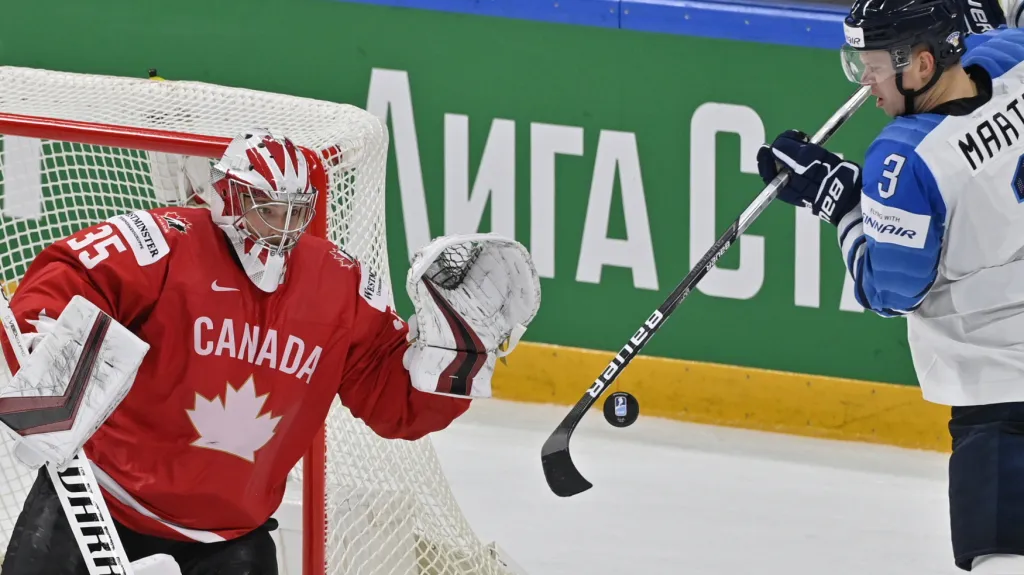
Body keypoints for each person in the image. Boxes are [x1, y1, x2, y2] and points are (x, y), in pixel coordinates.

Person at [0, 128, 540, 574]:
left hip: (232, 538)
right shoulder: (164, 241)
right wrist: (43, 344)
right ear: (232, 198)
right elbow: (72, 273)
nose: (282, 229)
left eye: (294, 212)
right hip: (97, 507)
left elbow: (392, 404)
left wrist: (455, 352)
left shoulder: (340, 283)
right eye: (266, 209)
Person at [757, 0, 1024, 570]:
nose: (864, 80)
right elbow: (993, 41)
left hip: (1000, 395)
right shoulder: (1012, 61)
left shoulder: (905, 161)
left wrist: (840, 200)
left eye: (873, 65)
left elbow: (890, 289)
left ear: (923, 65)